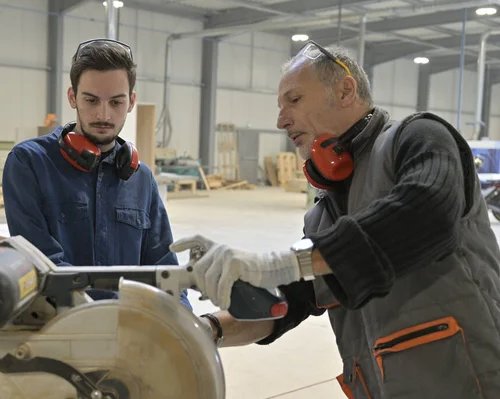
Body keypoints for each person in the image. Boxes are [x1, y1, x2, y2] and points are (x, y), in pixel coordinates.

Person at [170, 41, 500, 398]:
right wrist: (205, 329)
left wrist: (280, 262)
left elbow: (426, 211)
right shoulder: (323, 214)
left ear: (345, 90)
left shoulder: (418, 138)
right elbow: (288, 301)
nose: (281, 120)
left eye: (293, 100)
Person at [2, 38, 191, 310]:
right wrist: (105, 317)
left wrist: (184, 321)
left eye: (116, 102)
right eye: (91, 100)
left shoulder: (141, 178)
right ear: (72, 97)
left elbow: (163, 267)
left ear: (131, 102)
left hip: (128, 330)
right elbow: (45, 264)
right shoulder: (30, 163)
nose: (104, 114)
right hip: (60, 328)